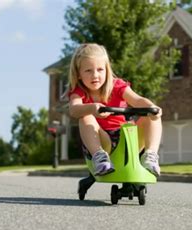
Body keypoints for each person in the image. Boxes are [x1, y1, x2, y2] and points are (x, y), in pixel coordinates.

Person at [68, 43, 162, 188]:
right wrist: (92, 108)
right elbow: (74, 109)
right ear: (78, 74)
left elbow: (137, 100)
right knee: (85, 116)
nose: (95, 75)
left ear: (107, 70)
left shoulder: (117, 86)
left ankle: (150, 156)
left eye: (100, 69)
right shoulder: (79, 92)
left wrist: (151, 107)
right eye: (88, 70)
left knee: (151, 115)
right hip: (102, 140)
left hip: (126, 140)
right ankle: (99, 157)